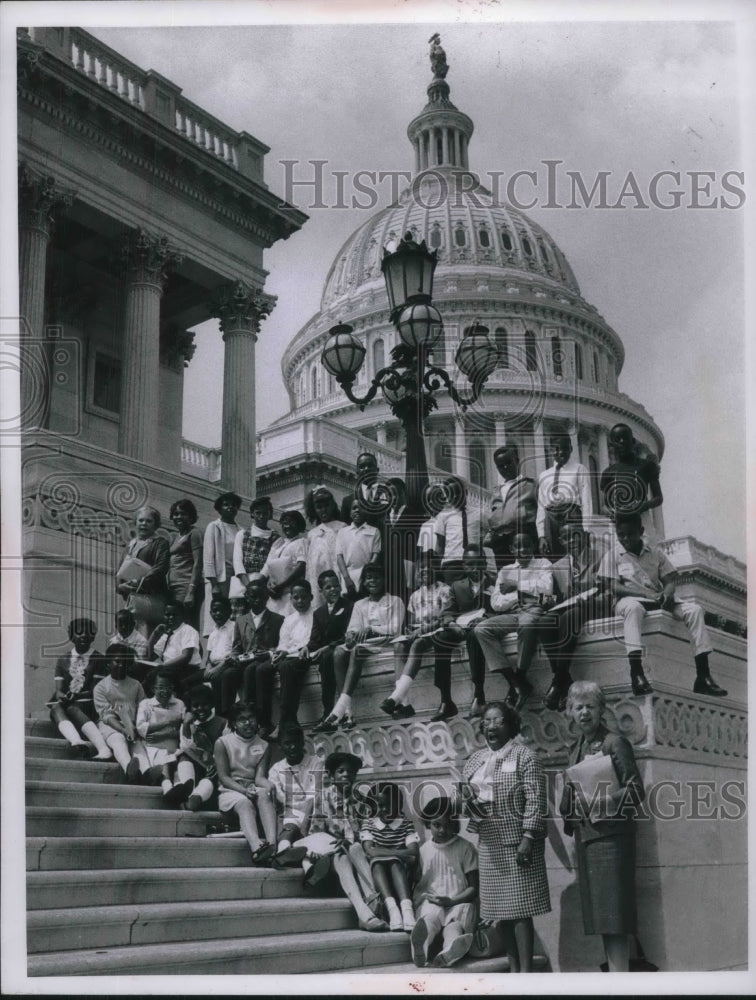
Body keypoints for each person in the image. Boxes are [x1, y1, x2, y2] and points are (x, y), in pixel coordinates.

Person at [559, 681, 645, 972]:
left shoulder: (614, 742)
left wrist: (597, 803)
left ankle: (620, 977)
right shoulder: (575, 749)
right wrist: (568, 805)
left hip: (612, 840)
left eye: (590, 706)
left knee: (615, 916)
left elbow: (636, 791)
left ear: (601, 710)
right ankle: (617, 973)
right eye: (578, 707)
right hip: (588, 839)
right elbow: (569, 798)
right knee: (602, 918)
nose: (584, 713)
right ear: (571, 712)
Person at [461, 702, 550, 973]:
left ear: (510, 725)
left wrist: (528, 836)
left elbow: (536, 799)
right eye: (487, 722)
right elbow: (468, 803)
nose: (491, 727)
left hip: (518, 841)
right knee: (500, 911)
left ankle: (525, 971)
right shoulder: (475, 761)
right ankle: (513, 969)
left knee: (521, 910)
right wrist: (466, 800)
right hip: (489, 843)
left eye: (498, 721)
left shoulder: (525, 756)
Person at [598, 513, 726, 697]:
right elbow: (613, 586)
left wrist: (667, 594)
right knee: (633, 609)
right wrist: (644, 593)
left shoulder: (655, 553)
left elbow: (669, 581)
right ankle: (637, 673)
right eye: (621, 535)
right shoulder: (613, 555)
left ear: (640, 532)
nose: (625, 539)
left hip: (657, 599)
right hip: (628, 600)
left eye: (629, 534)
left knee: (695, 610)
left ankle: (703, 675)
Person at [297, 751, 388, 932]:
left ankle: (372, 899)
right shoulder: (322, 800)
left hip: (359, 858)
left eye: (351, 772)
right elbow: (316, 835)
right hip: (332, 860)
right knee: (342, 854)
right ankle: (364, 913)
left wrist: (353, 840)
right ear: (331, 775)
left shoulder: (362, 802)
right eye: (341, 771)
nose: (346, 775)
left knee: (354, 847)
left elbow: (371, 832)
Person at [314, 562, 405, 731]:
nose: (373, 581)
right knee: (339, 652)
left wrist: (371, 629)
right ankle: (347, 712)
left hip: (388, 643)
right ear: (363, 581)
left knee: (357, 650)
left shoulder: (395, 601)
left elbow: (395, 628)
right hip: (366, 645)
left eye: (377, 578)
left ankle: (340, 707)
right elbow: (353, 629)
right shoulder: (359, 604)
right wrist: (350, 636)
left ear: (384, 580)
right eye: (369, 578)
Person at [474, 533, 559, 710]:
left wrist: (516, 587)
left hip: (534, 610)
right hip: (513, 613)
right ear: (512, 549)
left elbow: (546, 590)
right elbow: (496, 603)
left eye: (526, 545)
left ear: (533, 546)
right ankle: (515, 682)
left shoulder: (543, 564)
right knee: (481, 629)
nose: (522, 550)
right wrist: (522, 595)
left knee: (527, 624)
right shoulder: (505, 571)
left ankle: (520, 675)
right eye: (518, 546)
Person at [380, 557, 459, 722]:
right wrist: (411, 629)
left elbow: (444, 618)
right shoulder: (415, 596)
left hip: (438, 632)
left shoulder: (444, 589)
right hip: (421, 633)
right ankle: (404, 704)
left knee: (417, 643)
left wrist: (420, 631)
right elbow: (412, 622)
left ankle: (396, 696)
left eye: (428, 567)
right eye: (420, 568)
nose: (424, 571)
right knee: (399, 647)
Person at [542, 525, 612, 711]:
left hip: (596, 606)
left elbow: (609, 589)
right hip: (570, 609)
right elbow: (557, 597)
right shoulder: (558, 567)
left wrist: (585, 596)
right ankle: (563, 679)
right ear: (561, 542)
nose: (571, 541)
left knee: (569, 616)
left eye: (575, 536)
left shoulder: (602, 555)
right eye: (566, 538)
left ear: (586, 536)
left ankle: (558, 681)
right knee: (544, 622)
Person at [410, 796, 478, 968]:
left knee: (454, 925)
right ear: (428, 824)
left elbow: (473, 888)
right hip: (432, 901)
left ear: (455, 824)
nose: (442, 830)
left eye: (447, 825)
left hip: (458, 901)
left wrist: (452, 901)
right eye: (437, 825)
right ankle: (421, 946)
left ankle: (450, 950)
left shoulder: (466, 848)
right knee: (430, 919)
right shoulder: (424, 850)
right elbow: (419, 881)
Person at [214, 703, 278, 865]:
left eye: (251, 718)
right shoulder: (223, 743)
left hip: (251, 787)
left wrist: (269, 785)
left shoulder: (264, 745)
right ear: (234, 723)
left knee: (264, 793)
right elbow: (223, 777)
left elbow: (259, 777)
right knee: (244, 803)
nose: (248, 723)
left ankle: (272, 846)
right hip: (231, 790)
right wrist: (243, 791)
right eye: (242, 719)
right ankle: (257, 849)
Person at [360, 781, 420, 932]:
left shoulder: (405, 823)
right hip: (378, 871)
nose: (384, 809)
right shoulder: (369, 823)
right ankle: (393, 910)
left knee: (394, 863)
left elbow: (413, 852)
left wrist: (382, 851)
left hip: (399, 870)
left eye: (388, 805)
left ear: (398, 805)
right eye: (379, 805)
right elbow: (369, 851)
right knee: (379, 862)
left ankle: (407, 910)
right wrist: (400, 853)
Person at [445, 545, 496, 718]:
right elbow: (446, 612)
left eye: (478, 564)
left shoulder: (495, 582)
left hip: (484, 627)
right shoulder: (456, 586)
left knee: (475, 636)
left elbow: (504, 608)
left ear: (484, 563)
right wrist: (451, 624)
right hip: (461, 628)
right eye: (469, 565)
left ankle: (479, 693)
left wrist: (486, 617)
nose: (474, 569)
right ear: (463, 566)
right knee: (440, 637)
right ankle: (445, 698)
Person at [48, 618, 111, 759]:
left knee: (71, 708)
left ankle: (103, 749)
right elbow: (59, 690)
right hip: (71, 702)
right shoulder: (63, 659)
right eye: (79, 632)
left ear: (93, 636)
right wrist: (63, 696)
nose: (83, 635)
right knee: (55, 708)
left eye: (88, 632)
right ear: (71, 636)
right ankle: (76, 740)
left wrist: (75, 697)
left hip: (90, 703)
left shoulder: (98, 659)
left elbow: (96, 690)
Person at [224, 579, 284, 724]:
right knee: (226, 675)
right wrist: (232, 656)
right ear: (247, 598)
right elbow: (237, 646)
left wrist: (269, 652)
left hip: (264, 660)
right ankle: (226, 718)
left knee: (252, 671)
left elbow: (282, 644)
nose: (256, 600)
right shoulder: (241, 620)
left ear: (266, 597)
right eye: (252, 596)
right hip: (245, 660)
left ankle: (260, 719)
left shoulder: (278, 619)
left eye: (260, 596)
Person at [260, 579, 315, 735]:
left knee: (286, 667)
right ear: (291, 599)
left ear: (311, 597)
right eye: (296, 598)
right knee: (262, 669)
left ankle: (285, 718)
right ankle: (264, 720)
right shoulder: (289, 620)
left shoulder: (316, 614)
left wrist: (288, 652)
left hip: (306, 655)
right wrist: (281, 651)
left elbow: (312, 641)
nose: (300, 601)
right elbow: (283, 642)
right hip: (288, 655)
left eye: (303, 597)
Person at [268, 723, 324, 856]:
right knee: (290, 828)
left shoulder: (316, 762)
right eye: (287, 743)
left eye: (296, 742)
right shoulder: (276, 769)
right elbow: (281, 799)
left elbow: (315, 793)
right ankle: (284, 853)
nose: (292, 747)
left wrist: (305, 823)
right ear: (280, 746)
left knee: (305, 830)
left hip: (314, 812)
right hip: (291, 813)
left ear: (303, 743)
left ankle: (294, 854)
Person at [599, 423, 662, 543]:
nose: (622, 442)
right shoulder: (608, 472)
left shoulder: (647, 466)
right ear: (612, 445)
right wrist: (614, 513)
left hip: (642, 519)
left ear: (633, 441)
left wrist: (640, 507)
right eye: (617, 440)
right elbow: (604, 505)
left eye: (625, 438)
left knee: (648, 554)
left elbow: (658, 498)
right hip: (619, 523)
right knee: (621, 559)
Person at [92, 643, 145, 783]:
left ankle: (147, 773)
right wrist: (123, 729)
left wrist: (136, 727)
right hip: (111, 727)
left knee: (140, 748)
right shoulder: (101, 687)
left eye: (125, 662)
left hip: (133, 726)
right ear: (108, 662)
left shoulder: (136, 685)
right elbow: (107, 717)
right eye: (117, 661)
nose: (121, 665)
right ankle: (129, 770)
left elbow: (143, 709)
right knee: (118, 740)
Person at [134, 673, 191, 801]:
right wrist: (167, 723)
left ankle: (178, 785)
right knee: (163, 756)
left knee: (177, 757)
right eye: (161, 687)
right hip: (153, 746)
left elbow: (186, 729)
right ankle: (167, 786)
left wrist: (167, 734)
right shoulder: (146, 704)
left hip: (174, 743)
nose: (165, 691)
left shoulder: (179, 704)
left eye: (168, 687)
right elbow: (141, 728)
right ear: (153, 688)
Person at [308, 570, 354, 726]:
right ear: (321, 591)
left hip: (344, 649)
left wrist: (328, 647)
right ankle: (328, 709)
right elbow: (315, 641)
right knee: (322, 660)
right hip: (326, 654)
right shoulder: (318, 613)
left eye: (336, 586)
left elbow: (349, 633)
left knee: (327, 658)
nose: (333, 589)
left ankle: (332, 711)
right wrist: (306, 648)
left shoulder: (349, 606)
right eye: (328, 587)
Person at [116, 505, 170, 635]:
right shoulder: (131, 544)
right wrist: (120, 585)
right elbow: (119, 569)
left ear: (156, 524)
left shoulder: (160, 543)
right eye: (141, 520)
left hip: (150, 597)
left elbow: (161, 567)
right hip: (131, 597)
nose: (144, 524)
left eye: (149, 521)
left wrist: (139, 582)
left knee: (146, 634)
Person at [536, 435, 592, 557]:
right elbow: (541, 506)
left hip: (571, 513)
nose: (560, 452)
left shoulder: (579, 469)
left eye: (564, 448)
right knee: (554, 555)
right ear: (551, 450)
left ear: (571, 449)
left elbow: (586, 499)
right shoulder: (544, 475)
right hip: (551, 516)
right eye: (556, 449)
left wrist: (586, 529)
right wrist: (541, 535)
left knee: (576, 552)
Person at [176, 684, 226, 811]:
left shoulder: (222, 723)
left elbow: (227, 748)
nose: (200, 709)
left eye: (205, 704)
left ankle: (196, 797)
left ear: (212, 704)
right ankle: (187, 789)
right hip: (196, 766)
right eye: (195, 705)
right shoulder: (188, 723)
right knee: (183, 756)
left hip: (214, 767)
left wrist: (215, 764)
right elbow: (186, 746)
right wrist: (186, 724)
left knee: (213, 776)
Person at [488, 446, 538, 568]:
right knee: (506, 577)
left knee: (527, 574)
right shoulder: (496, 491)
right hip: (500, 544)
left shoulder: (531, 485)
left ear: (517, 460)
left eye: (508, 463)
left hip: (523, 539)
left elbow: (542, 514)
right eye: (500, 466)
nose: (505, 467)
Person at [183, 595, 235, 706]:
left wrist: (217, 669)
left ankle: (220, 715)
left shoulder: (234, 628)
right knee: (187, 682)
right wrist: (208, 668)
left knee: (216, 679)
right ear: (210, 613)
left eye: (222, 610)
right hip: (212, 666)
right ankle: (193, 711)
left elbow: (235, 652)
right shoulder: (213, 631)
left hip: (227, 666)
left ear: (230, 611)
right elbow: (209, 655)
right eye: (215, 611)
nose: (218, 614)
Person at [202, 491, 242, 634]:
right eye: (226, 505)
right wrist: (214, 584)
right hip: (219, 579)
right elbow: (208, 557)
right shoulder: (214, 527)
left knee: (232, 616)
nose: (230, 507)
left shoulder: (240, 530)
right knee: (217, 615)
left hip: (235, 579)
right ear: (219, 508)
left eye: (234, 505)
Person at [143, 602, 202, 695]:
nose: (170, 618)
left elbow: (186, 656)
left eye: (174, 615)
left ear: (182, 616)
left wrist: (163, 667)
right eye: (167, 615)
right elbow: (149, 656)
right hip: (168, 669)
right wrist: (155, 634)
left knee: (151, 679)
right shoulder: (168, 633)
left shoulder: (188, 630)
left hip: (185, 669)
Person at [383, 477, 424, 606]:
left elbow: (418, 546)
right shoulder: (384, 516)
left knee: (406, 599)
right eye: (389, 495)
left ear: (403, 494)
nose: (393, 498)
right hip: (389, 567)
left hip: (407, 566)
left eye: (395, 494)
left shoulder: (414, 516)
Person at [304, 486, 347, 609]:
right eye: (319, 507)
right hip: (316, 574)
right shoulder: (312, 533)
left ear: (333, 506)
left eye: (326, 506)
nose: (323, 510)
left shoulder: (342, 527)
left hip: (334, 570)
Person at [260, 509, 308, 616]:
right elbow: (268, 566)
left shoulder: (301, 542)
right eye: (285, 523)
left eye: (292, 523)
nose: (287, 526)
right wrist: (268, 586)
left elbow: (301, 566)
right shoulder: (278, 543)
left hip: (289, 594)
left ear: (299, 525)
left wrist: (282, 586)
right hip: (274, 594)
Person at [231, 497, 279, 598]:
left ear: (270, 515)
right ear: (252, 514)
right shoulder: (242, 534)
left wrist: (256, 586)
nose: (261, 516)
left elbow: (269, 565)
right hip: (242, 584)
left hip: (262, 585)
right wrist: (248, 587)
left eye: (265, 513)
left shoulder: (276, 538)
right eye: (258, 513)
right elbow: (237, 562)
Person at [167, 498, 204, 631]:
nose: (179, 517)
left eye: (183, 514)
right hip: (174, 587)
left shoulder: (194, 533)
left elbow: (198, 563)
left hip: (186, 585)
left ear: (191, 516)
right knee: (177, 628)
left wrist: (191, 591)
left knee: (188, 626)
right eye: (176, 514)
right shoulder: (176, 537)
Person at [336, 498, 382, 598]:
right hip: (348, 575)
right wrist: (346, 578)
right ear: (350, 513)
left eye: (361, 507)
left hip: (366, 576)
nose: (357, 510)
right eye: (354, 508)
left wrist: (366, 577)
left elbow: (375, 555)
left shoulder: (374, 531)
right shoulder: (342, 532)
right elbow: (339, 557)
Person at [433, 476, 470, 583]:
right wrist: (437, 568)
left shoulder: (478, 515)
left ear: (466, 492)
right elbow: (440, 544)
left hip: (472, 563)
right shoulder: (443, 516)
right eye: (451, 494)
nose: (455, 497)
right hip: (451, 564)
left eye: (458, 493)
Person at [340, 452, 391, 527]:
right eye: (362, 466)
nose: (366, 469)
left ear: (377, 470)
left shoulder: (389, 495)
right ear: (357, 472)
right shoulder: (348, 501)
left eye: (370, 465)